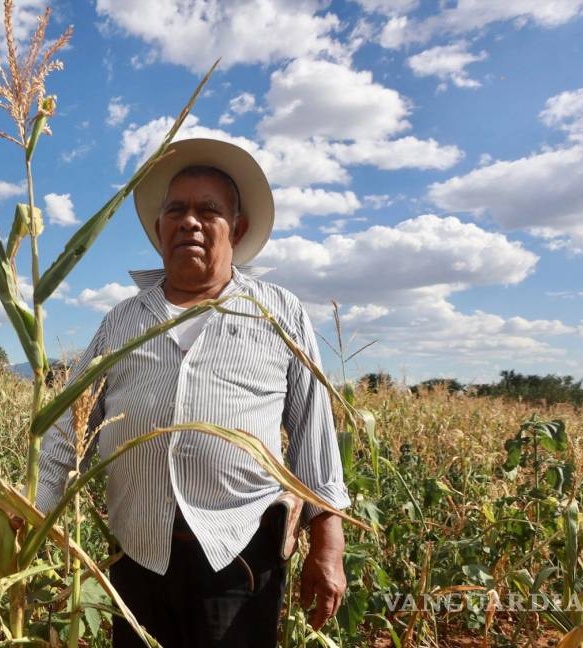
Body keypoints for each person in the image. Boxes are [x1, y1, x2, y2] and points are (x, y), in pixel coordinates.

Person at [35, 138, 351, 647]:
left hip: (241, 557)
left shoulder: (278, 312)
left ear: (238, 228)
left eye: (210, 210)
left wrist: (327, 545)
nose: (190, 221)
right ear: (159, 228)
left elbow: (315, 432)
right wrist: (30, 508)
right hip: (138, 554)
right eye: (176, 210)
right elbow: (70, 429)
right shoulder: (123, 320)